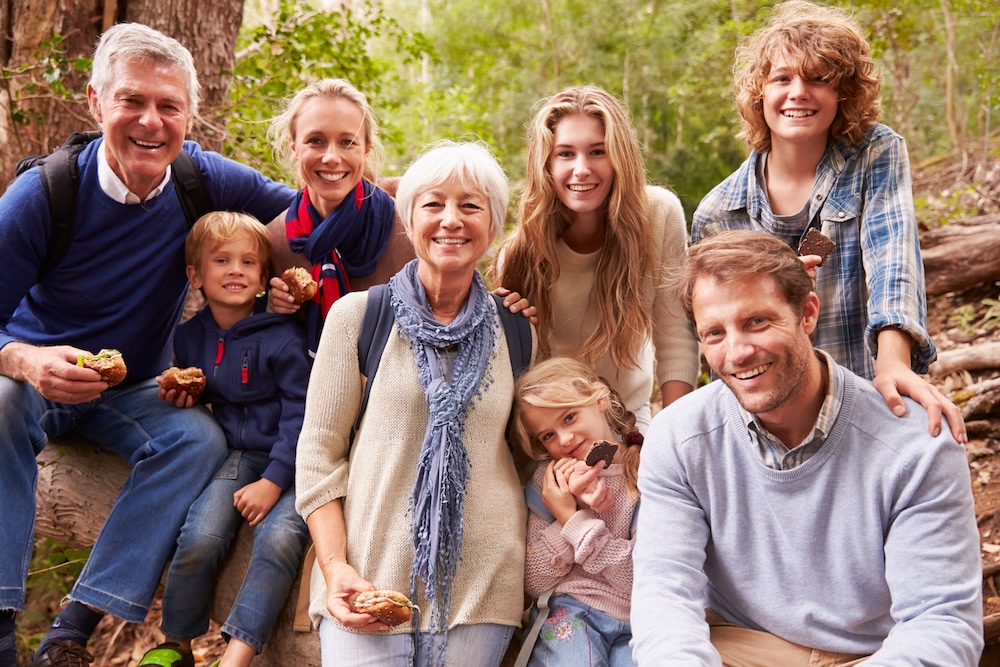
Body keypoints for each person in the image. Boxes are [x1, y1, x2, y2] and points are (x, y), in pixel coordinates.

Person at [0, 23, 294, 667]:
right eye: (132, 101)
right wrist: (24, 359)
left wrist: (430, 249)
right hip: (35, 383)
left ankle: (71, 630)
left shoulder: (201, 180)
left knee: (199, 439)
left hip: (130, 389)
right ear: (96, 101)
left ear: (190, 113)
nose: (151, 122)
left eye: (169, 106)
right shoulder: (43, 195)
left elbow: (315, 214)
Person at [631, 230, 983, 666]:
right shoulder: (678, 438)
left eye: (757, 321)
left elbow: (941, 622)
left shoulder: (917, 445)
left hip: (872, 654)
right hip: (737, 645)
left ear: (807, 313)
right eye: (715, 333)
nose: (737, 352)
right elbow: (664, 596)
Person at [295, 141, 533, 667]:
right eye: (433, 204)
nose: (451, 220)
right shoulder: (359, 317)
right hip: (366, 576)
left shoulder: (518, 331)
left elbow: (526, 454)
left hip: (483, 586)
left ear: (493, 226)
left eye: (471, 205)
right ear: (409, 218)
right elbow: (317, 458)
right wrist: (336, 569)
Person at [690, 0, 965, 443]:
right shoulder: (719, 212)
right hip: (771, 423)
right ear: (760, 95)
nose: (798, 92)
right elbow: (713, 336)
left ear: (844, 93)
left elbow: (893, 258)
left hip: (868, 395)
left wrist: (892, 361)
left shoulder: (875, 153)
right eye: (782, 79)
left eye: (818, 79)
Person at [136, 212, 311, 667]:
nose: (236, 269)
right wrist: (185, 395)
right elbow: (205, 392)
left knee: (278, 539)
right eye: (221, 260)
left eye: (248, 262)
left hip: (296, 463)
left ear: (263, 278)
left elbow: (304, 413)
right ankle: (176, 643)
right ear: (195, 275)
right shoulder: (189, 338)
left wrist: (274, 480)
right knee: (200, 534)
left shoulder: (283, 338)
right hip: (239, 456)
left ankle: (236, 656)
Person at [493, 85, 698, 431]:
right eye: (566, 154)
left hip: (631, 422)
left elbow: (675, 333)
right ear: (546, 164)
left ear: (620, 157)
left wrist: (675, 439)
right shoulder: (522, 252)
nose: (582, 169)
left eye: (597, 151)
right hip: (555, 435)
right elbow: (522, 374)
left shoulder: (658, 215)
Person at [264, 78, 415, 353]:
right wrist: (273, 309)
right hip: (304, 392)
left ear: (366, 148)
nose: (332, 157)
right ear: (294, 146)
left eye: (347, 142)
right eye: (316, 141)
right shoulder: (274, 240)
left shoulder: (409, 231)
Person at [511, 357, 642, 667]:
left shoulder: (646, 471)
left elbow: (640, 578)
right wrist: (564, 515)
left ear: (599, 400)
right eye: (548, 435)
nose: (564, 440)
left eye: (569, 417)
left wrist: (576, 522)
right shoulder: (550, 481)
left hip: (640, 618)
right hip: (573, 611)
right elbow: (536, 583)